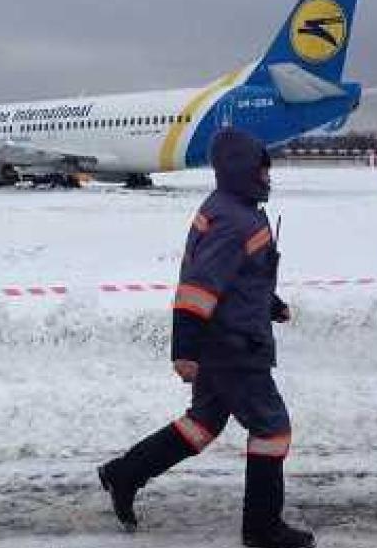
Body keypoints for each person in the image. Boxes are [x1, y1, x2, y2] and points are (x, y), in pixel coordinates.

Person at [98, 127, 314, 548]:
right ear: (242, 170)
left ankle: (124, 474)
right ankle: (262, 529)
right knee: (272, 430)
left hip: (232, 336)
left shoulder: (240, 209)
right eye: (263, 171)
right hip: (233, 346)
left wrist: (270, 304)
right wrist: (185, 349)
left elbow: (239, 278)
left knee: (202, 424)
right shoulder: (233, 219)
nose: (268, 178)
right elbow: (199, 286)